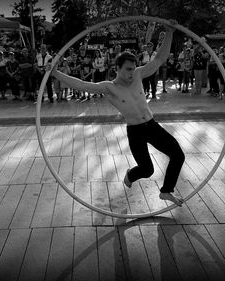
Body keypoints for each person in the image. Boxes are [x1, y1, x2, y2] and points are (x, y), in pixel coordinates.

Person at [48, 21, 184, 206]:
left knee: (178, 155)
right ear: (117, 68)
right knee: (147, 170)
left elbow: (159, 59)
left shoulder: (137, 75)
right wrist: (56, 74)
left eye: (132, 68)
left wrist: (169, 32)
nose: (131, 72)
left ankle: (166, 191)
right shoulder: (109, 88)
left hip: (151, 125)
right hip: (135, 131)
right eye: (127, 69)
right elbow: (81, 84)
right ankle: (130, 175)